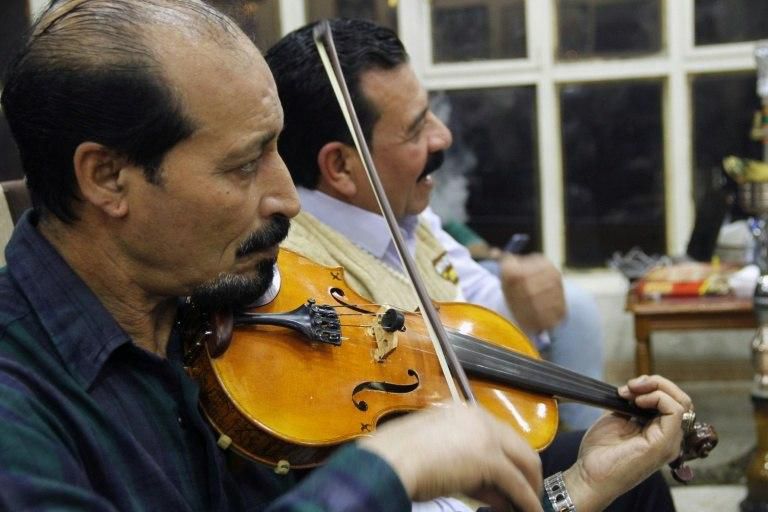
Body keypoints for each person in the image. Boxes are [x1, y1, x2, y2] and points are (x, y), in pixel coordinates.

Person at [0, 2, 692, 510]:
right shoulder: (18, 406)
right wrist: (389, 467)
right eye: (243, 164)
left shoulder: (211, 327)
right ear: (107, 179)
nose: (287, 198)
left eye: (277, 148)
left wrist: (578, 489)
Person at [265, 19, 603, 431]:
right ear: (341, 167)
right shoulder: (294, 271)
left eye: (429, 116)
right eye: (415, 130)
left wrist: (520, 304)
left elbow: (472, 306)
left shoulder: (406, 213)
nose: (443, 137)